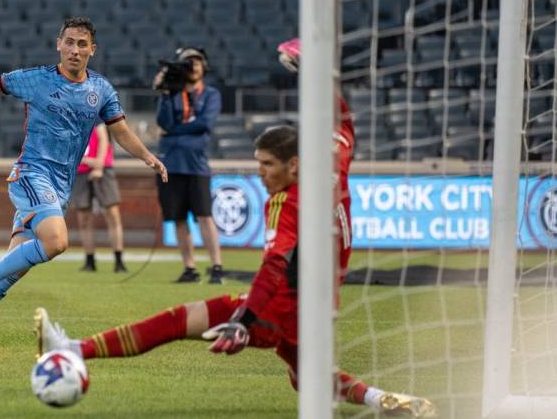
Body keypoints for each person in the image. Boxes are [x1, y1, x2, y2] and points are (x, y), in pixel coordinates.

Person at [36, 44, 437, 414]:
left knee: (178, 320)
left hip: (281, 306)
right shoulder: (335, 164)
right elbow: (344, 124)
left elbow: (274, 265)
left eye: (266, 165)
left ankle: (73, 348)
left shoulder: (287, 201)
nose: (260, 174)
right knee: (305, 377)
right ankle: (381, 399)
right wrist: (314, 75)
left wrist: (244, 320)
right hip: (319, 305)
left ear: (293, 166)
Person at [0, 17, 167, 362]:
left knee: (14, 268)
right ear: (58, 44)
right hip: (31, 175)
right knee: (57, 241)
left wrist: (148, 156)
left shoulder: (101, 90)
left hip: (60, 187)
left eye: (82, 44)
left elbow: (120, 132)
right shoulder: (36, 80)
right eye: (69, 42)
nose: (75, 50)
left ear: (93, 49)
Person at [154, 47, 223, 284]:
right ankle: (190, 268)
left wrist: (173, 131)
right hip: (171, 164)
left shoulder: (211, 94)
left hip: (197, 165)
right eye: (187, 62)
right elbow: (162, 121)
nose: (192, 66)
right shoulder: (173, 93)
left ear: (204, 66)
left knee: (205, 216)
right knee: (179, 218)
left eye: (196, 62)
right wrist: (164, 92)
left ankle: (216, 267)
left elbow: (204, 124)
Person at [71, 123, 128, 272]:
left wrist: (99, 165)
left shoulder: (96, 110)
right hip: (80, 171)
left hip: (103, 169)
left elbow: (103, 139)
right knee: (83, 218)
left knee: (112, 214)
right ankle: (89, 260)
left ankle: (118, 260)